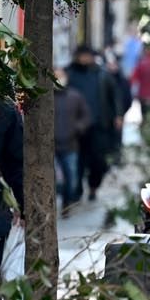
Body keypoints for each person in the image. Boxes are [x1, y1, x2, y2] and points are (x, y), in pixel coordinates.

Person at [67, 46, 122, 201]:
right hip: (75, 127)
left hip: (99, 125)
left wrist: (118, 115)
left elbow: (115, 95)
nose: (84, 59)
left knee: (98, 160)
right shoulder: (70, 74)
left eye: (87, 56)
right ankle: (76, 190)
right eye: (81, 56)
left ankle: (93, 187)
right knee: (77, 160)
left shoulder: (102, 74)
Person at [0, 100, 23, 300]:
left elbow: (17, 166)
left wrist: (24, 205)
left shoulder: (4, 112)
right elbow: (17, 166)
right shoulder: (4, 111)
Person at [53, 69, 92, 209]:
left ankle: (67, 202)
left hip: (70, 145)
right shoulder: (47, 98)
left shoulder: (75, 96)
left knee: (72, 178)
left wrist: (77, 128)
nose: (58, 79)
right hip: (51, 146)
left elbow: (86, 116)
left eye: (61, 76)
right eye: (55, 76)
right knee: (55, 179)